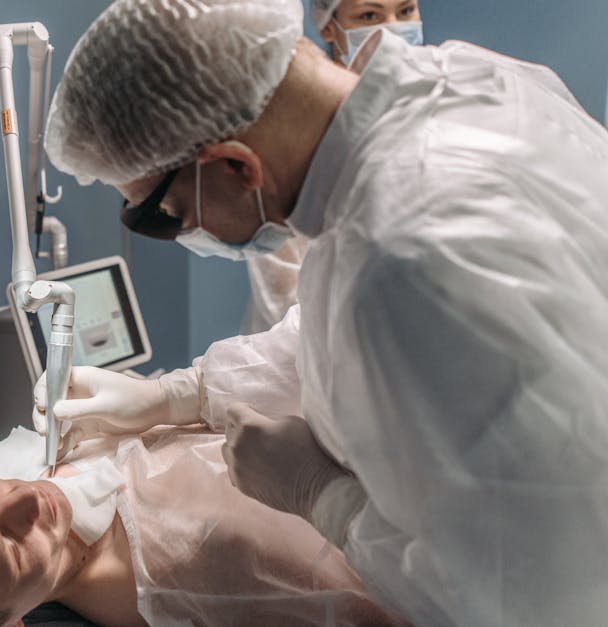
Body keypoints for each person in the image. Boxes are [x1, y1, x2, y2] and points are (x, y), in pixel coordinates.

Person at [35, 0, 608, 625]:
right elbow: (368, 344)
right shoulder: (467, 83)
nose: (189, 230)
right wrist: (182, 394)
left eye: (166, 216)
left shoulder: (400, 256)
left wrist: (325, 500)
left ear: (235, 164)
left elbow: (533, 595)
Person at [0, 427, 408, 626]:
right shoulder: (198, 575)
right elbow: (407, 598)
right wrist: (325, 496)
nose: (26, 501)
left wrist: (179, 394)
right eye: (13, 549)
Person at [243, 0, 426, 334]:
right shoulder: (296, 134)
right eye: (369, 15)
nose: (393, 29)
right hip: (308, 350)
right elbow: (284, 303)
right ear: (329, 25)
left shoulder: (435, 108)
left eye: (405, 11)